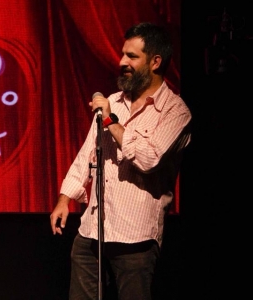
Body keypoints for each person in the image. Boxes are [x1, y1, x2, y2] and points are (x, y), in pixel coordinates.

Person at [50, 22, 191, 300]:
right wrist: (65, 199)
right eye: (123, 54)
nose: (121, 61)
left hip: (135, 238)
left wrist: (110, 121)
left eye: (131, 56)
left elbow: (149, 159)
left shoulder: (176, 112)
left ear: (155, 62)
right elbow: (86, 155)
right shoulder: (113, 100)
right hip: (92, 231)